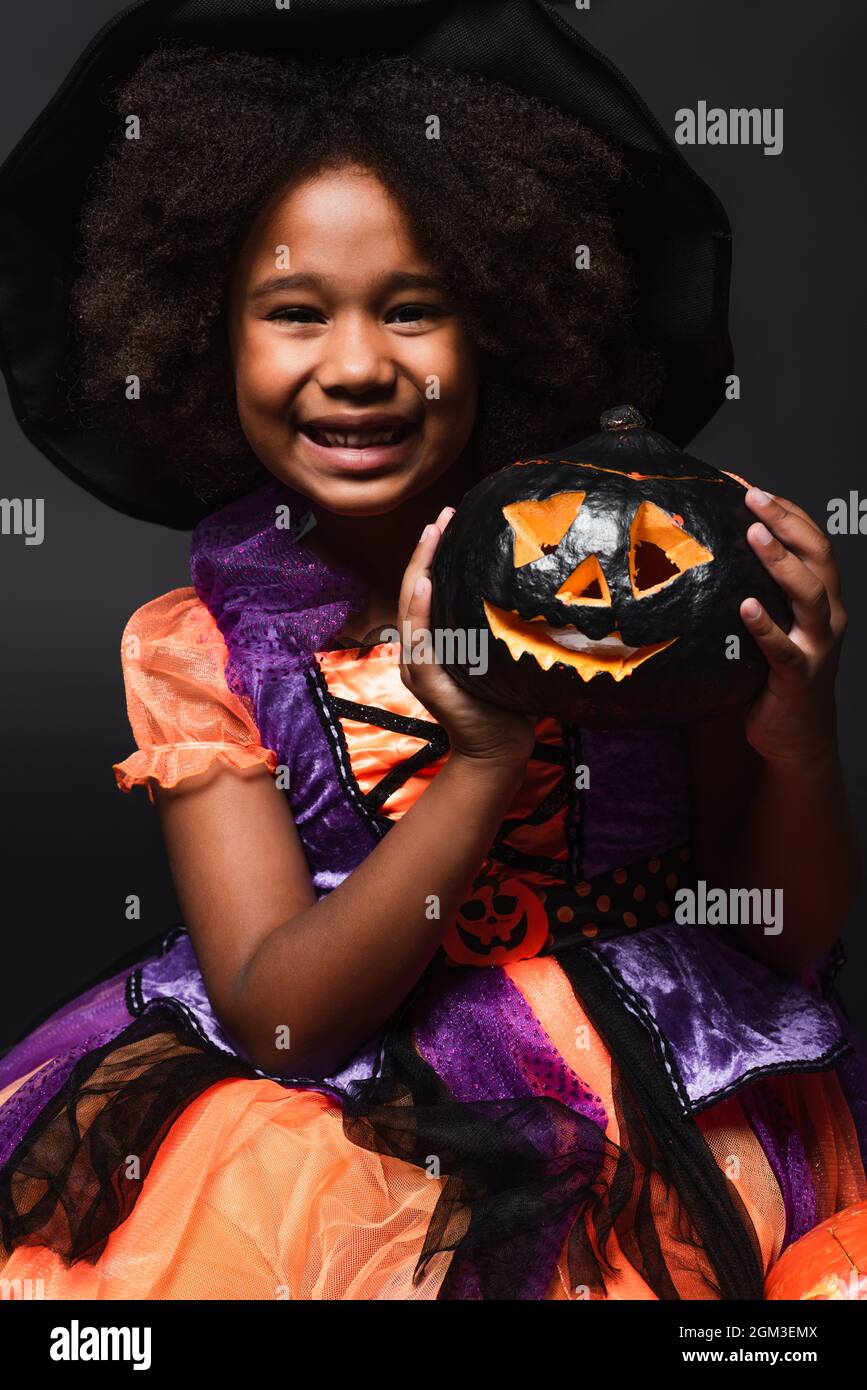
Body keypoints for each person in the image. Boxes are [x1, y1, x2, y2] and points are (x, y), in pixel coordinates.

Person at [0, 37, 864, 1303]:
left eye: (412, 308)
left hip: (654, 1102)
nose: (357, 365)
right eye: (296, 312)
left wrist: (798, 741)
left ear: (504, 328)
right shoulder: (202, 643)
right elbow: (287, 1020)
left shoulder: (624, 573)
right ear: (201, 334)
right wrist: (481, 761)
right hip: (337, 1113)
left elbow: (775, 945)